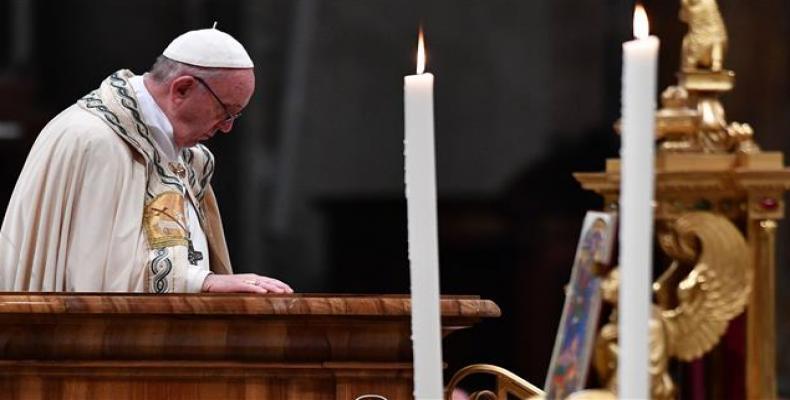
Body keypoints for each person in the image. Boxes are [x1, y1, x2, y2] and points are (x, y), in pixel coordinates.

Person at [0, 27, 292, 295]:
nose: (227, 127)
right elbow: (93, 277)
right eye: (225, 111)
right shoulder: (96, 141)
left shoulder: (190, 157)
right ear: (182, 89)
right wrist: (202, 282)